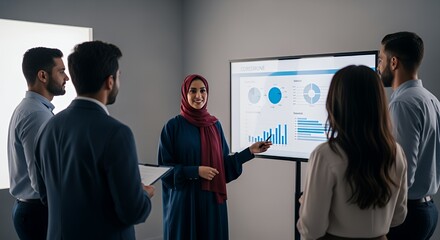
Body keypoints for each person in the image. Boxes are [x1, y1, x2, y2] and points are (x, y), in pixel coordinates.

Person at [34, 41, 155, 240]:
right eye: (118, 76)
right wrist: (144, 195)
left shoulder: (47, 127)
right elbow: (133, 211)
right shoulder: (117, 133)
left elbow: (46, 196)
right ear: (110, 81)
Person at [297, 65, 408, 240]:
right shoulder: (396, 151)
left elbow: (312, 230)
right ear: (379, 103)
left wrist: (305, 204)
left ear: (335, 103)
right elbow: (398, 217)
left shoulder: (326, 154)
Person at [158, 74, 272, 240]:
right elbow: (164, 171)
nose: (199, 96)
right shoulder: (172, 127)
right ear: (185, 94)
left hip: (211, 204)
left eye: (202, 91)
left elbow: (223, 166)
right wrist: (195, 171)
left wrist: (249, 151)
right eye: (193, 91)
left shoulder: (214, 125)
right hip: (185, 205)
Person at [378, 31, 440, 240]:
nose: (378, 67)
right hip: (428, 209)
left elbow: (402, 173)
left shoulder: (402, 104)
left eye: (381, 60)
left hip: (407, 215)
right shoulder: (431, 100)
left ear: (393, 62)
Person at [7, 47, 69, 240]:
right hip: (39, 213)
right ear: (43, 75)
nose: (66, 77)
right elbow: (40, 179)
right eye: (61, 71)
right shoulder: (37, 115)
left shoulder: (30, 109)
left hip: (32, 211)